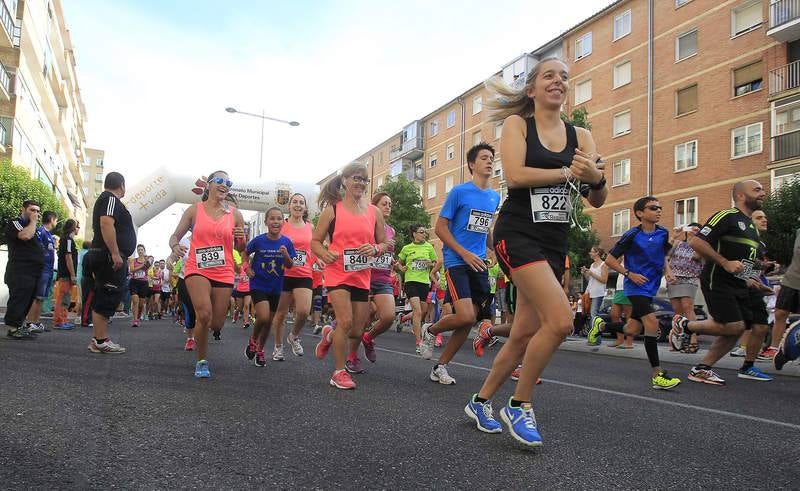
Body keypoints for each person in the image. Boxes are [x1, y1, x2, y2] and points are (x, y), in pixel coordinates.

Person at [463, 58, 608, 446]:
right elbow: (516, 176)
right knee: (560, 320)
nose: (558, 81)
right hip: (516, 234)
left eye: (564, 76)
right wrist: (571, 173)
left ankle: (479, 402)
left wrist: (597, 178)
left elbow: (596, 198)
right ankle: (519, 404)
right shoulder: (518, 125)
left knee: (524, 332)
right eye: (549, 75)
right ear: (532, 90)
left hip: (553, 241)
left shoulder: (583, 136)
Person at [418, 142, 501, 386]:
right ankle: (430, 330)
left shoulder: (494, 196)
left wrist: (492, 248)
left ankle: (440, 366)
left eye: (492, 158)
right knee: (464, 315)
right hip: (457, 260)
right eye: (484, 158)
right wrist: (464, 253)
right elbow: (440, 228)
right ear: (471, 165)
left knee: (468, 320)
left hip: (480, 263)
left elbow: (486, 226)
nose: (489, 161)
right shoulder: (459, 192)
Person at [672, 180, 768, 385]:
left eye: (762, 190)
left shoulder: (751, 227)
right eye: (757, 190)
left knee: (737, 328)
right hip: (718, 279)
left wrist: (753, 279)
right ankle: (685, 325)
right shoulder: (726, 216)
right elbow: (696, 241)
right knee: (734, 326)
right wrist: (724, 262)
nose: (763, 193)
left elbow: (741, 264)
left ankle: (702, 368)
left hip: (739, 284)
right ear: (741, 195)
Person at [311, 162, 387, 390]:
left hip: (362, 275)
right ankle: (338, 372)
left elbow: (383, 242)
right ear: (344, 180)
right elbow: (315, 241)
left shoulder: (374, 212)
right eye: (356, 178)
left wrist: (376, 249)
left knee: (357, 329)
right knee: (345, 321)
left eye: (364, 180)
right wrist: (325, 253)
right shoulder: (332, 210)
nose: (360, 183)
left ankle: (329, 336)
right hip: (338, 274)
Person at [595, 197, 680, 390]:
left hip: (651, 286)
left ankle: (601, 325)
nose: (658, 210)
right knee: (652, 323)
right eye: (653, 208)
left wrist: (667, 270)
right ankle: (657, 374)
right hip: (634, 287)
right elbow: (609, 260)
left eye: (659, 207)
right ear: (640, 213)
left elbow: (663, 256)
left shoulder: (662, 232)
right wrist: (629, 274)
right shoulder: (631, 235)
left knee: (631, 330)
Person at [168, 170, 246, 378]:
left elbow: (241, 248)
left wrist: (241, 238)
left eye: (228, 182)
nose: (224, 184)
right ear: (209, 185)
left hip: (223, 271)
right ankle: (202, 360)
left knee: (217, 323)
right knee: (203, 314)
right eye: (219, 180)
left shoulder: (235, 214)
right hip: (197, 268)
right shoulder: (195, 210)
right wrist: (175, 246)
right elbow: (175, 235)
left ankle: (204, 333)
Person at [84, 172, 135, 353]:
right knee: (107, 294)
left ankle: (99, 338)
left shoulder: (107, 200)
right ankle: (100, 340)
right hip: (108, 255)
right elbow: (106, 223)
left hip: (107, 254)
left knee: (107, 294)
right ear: (121, 184)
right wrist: (114, 253)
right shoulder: (110, 199)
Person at [244, 207, 296, 366]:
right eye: (272, 219)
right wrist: (246, 267)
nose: (275, 221)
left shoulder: (286, 242)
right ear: (266, 222)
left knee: (268, 322)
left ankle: (260, 350)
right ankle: (253, 340)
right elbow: (245, 253)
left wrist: (286, 254)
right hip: (258, 283)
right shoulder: (259, 240)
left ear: (283, 222)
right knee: (264, 316)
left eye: (279, 218)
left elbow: (290, 265)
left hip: (276, 286)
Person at [355, 192, 397, 368]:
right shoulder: (365, 225)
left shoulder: (391, 230)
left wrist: (391, 260)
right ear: (374, 207)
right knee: (361, 321)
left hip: (383, 278)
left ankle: (368, 337)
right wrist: (376, 249)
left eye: (389, 204)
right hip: (364, 277)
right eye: (384, 203)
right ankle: (351, 356)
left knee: (388, 317)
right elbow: (358, 249)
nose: (388, 206)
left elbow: (386, 253)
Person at [271, 193, 315, 359]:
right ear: (289, 206)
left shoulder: (310, 227)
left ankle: (293, 336)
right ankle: (278, 346)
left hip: (304, 272)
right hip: (282, 274)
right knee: (281, 313)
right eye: (295, 202)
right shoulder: (281, 225)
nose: (298, 205)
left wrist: (320, 260)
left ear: (305, 207)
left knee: (303, 311)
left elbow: (314, 247)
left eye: (301, 202)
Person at [4, 201, 45, 340]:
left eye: (37, 211)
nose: (36, 214)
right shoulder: (16, 222)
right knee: (19, 298)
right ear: (23, 209)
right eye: (32, 210)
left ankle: (19, 326)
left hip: (33, 271)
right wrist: (33, 222)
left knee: (28, 299)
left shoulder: (33, 228)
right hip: (20, 270)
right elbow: (24, 236)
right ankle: (13, 328)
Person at [397, 224, 440, 354]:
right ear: (414, 234)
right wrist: (401, 268)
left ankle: (403, 318)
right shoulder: (406, 248)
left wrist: (430, 264)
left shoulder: (429, 247)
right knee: (417, 311)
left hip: (424, 283)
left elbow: (435, 262)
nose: (424, 234)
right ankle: (418, 342)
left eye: (425, 232)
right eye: (421, 232)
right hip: (411, 281)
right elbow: (399, 262)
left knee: (423, 311)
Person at [666, 223, 703, 353]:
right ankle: (678, 341)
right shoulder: (678, 243)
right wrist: (674, 236)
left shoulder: (700, 245)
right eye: (691, 228)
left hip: (690, 278)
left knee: (688, 308)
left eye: (696, 229)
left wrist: (697, 237)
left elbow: (697, 257)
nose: (693, 231)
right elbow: (666, 255)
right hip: (674, 279)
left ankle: (693, 340)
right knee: (677, 312)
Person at [24, 210, 57, 333]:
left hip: (48, 270)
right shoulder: (41, 231)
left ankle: (36, 322)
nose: (56, 222)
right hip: (42, 269)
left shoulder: (49, 235)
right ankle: (30, 322)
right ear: (52, 220)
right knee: (37, 297)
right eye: (56, 220)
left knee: (42, 297)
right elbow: (36, 247)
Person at [774, 223, 800, 370]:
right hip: (792, 280)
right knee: (780, 313)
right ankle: (777, 348)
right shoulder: (798, 232)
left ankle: (787, 353)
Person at [53, 219, 79, 329]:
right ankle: (60, 321)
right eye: (77, 226)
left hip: (65, 273)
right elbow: (68, 258)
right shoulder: (68, 240)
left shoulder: (66, 240)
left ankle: (63, 319)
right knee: (64, 298)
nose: (78, 229)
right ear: (73, 228)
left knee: (65, 298)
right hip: (66, 274)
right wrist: (73, 275)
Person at [583, 246, 608, 345]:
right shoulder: (592, 264)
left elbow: (604, 280)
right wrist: (585, 273)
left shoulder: (603, 264)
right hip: (591, 292)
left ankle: (596, 339)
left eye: (591, 251)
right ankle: (593, 338)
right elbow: (590, 280)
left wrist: (592, 273)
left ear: (597, 253)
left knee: (594, 315)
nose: (590, 253)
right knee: (592, 315)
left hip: (598, 293)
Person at [128, 245, 149, 327]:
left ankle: (138, 316)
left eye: (142, 250)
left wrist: (146, 262)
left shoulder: (146, 260)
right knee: (135, 301)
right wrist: (141, 266)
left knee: (141, 304)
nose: (140, 251)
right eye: (139, 250)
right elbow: (132, 270)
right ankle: (135, 320)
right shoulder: (133, 260)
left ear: (144, 251)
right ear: (137, 251)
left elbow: (147, 268)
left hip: (143, 283)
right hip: (134, 282)